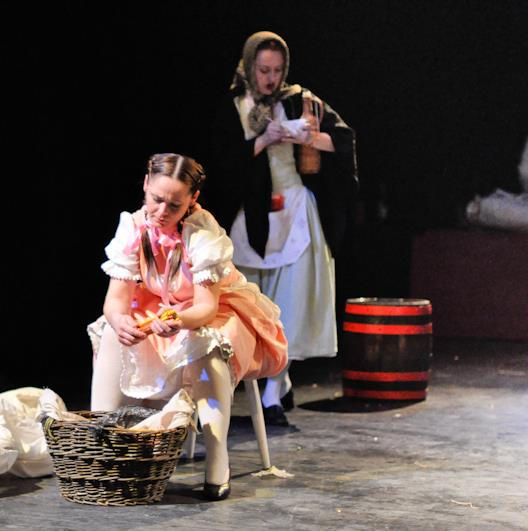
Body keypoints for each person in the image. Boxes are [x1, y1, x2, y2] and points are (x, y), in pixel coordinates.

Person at [87, 153, 288, 501]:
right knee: (110, 332)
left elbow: (205, 307)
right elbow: (115, 301)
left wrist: (178, 320)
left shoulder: (202, 230)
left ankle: (217, 459)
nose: (162, 211)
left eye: (174, 205)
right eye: (156, 199)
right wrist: (121, 321)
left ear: (193, 199)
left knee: (207, 344)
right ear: (146, 185)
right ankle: (101, 445)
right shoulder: (132, 226)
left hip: (215, 310)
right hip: (160, 306)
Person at [206, 31, 358, 427]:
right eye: (263, 70)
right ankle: (276, 379)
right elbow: (221, 163)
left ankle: (273, 391)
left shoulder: (299, 100)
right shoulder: (235, 105)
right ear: (249, 66)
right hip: (251, 217)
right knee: (250, 303)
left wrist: (311, 137)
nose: (271, 79)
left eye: (276, 70)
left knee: (290, 303)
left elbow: (343, 141)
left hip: (295, 213)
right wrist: (261, 141)